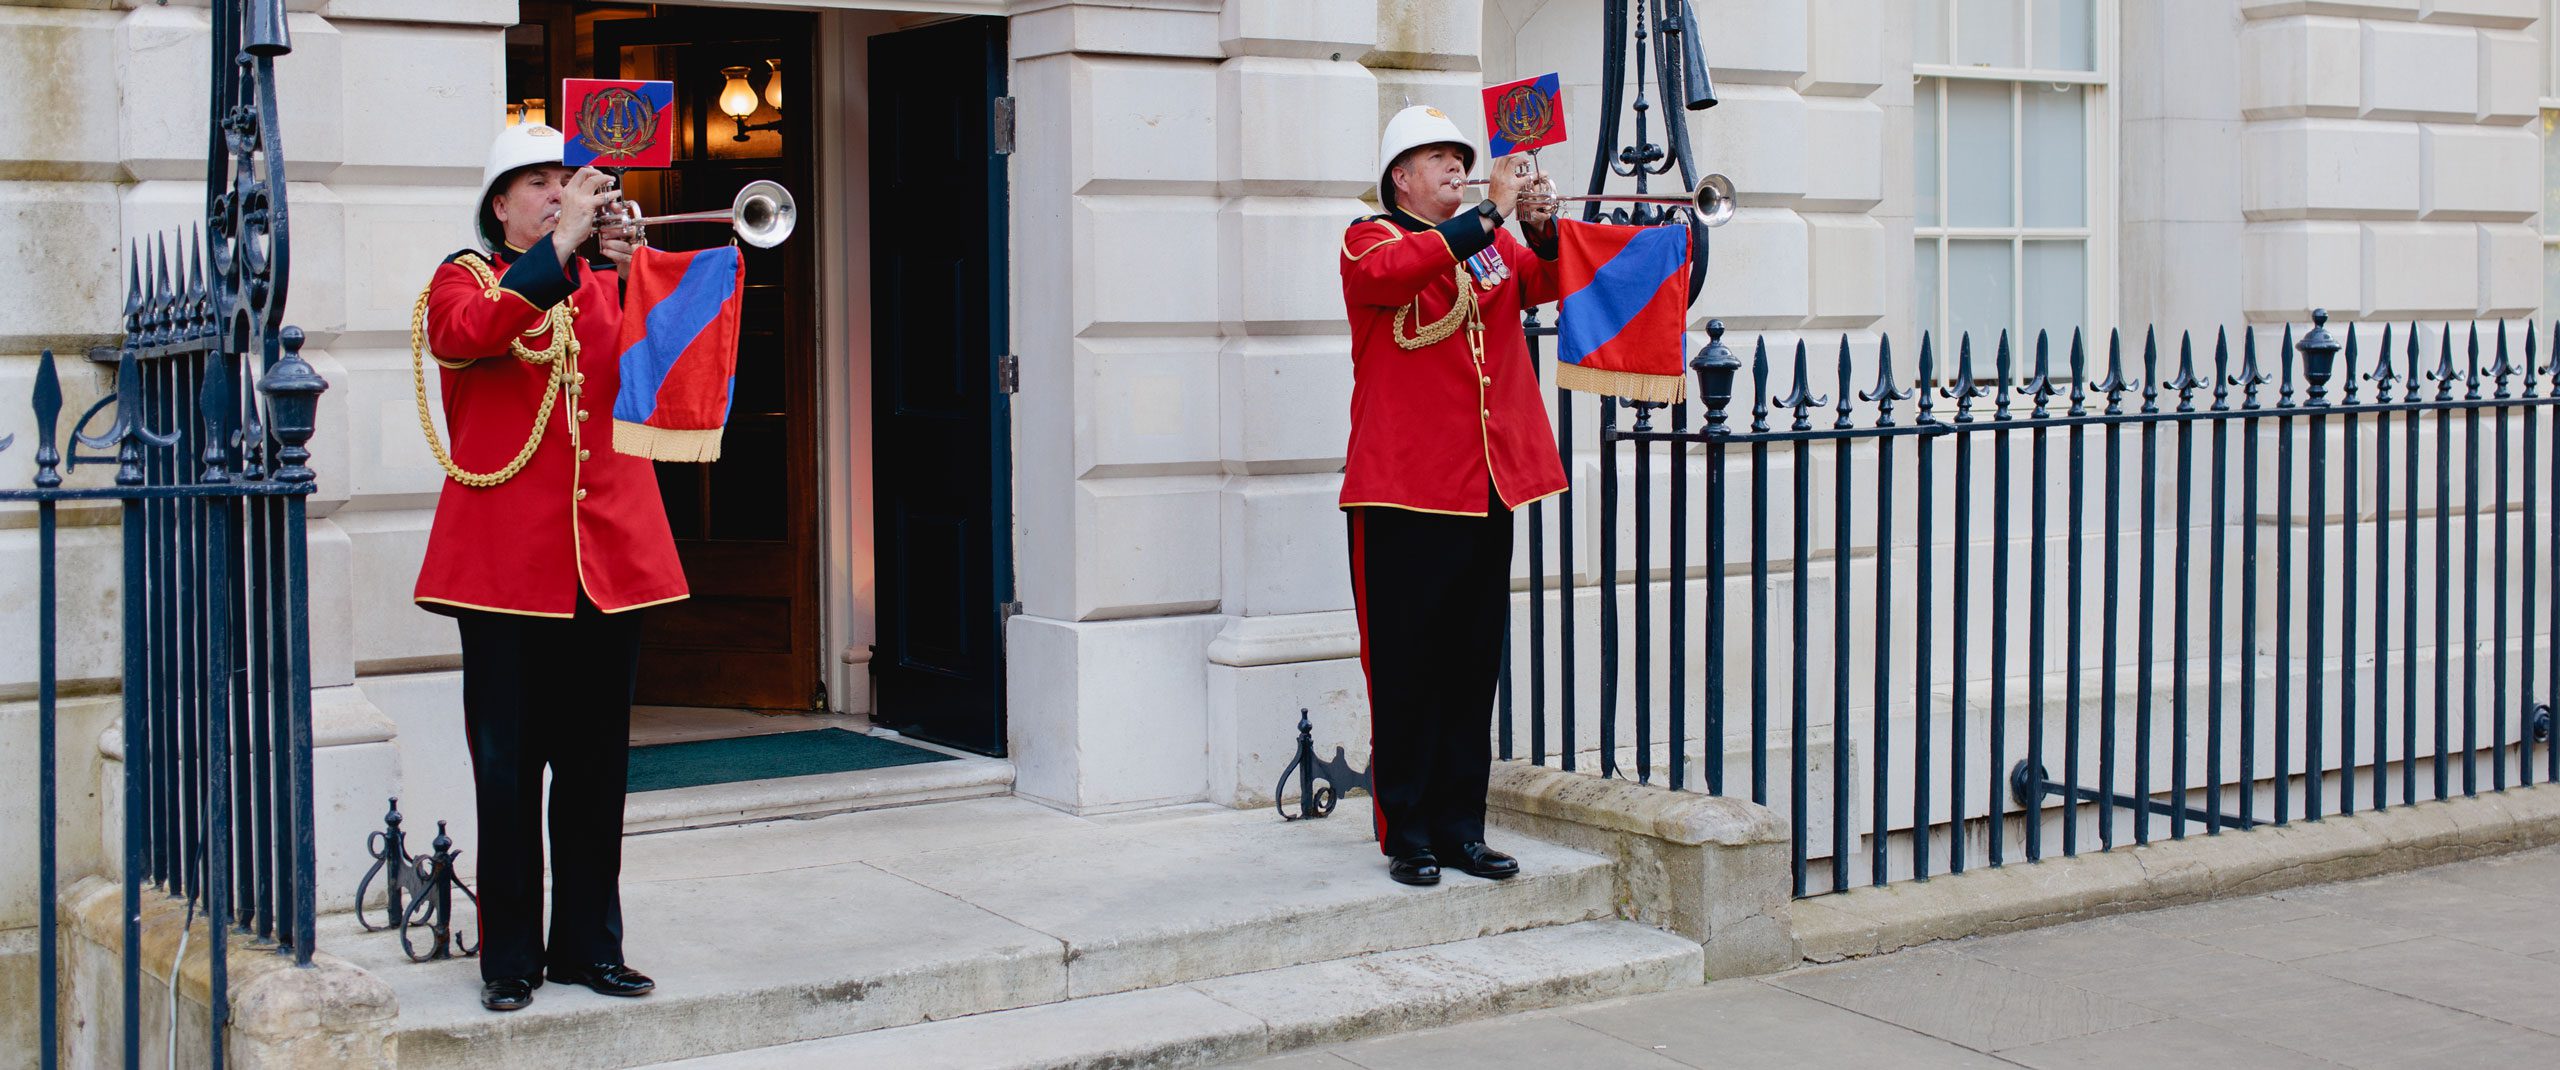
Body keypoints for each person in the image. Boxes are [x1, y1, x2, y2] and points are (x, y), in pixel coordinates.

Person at [410, 123, 688, 1012]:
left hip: (606, 560)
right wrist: (563, 254)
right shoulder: (466, 276)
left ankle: (587, 948)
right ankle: (509, 960)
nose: (558, 194)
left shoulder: (598, 281)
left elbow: (660, 360)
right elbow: (466, 337)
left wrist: (632, 264)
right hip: (504, 573)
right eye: (538, 183)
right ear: (502, 204)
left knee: (597, 765)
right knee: (508, 767)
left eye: (566, 181)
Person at [1338, 106, 1564, 887]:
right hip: (1403, 491)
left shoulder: (1491, 242)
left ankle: (1463, 827)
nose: (1455, 166)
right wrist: (1493, 211)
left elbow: (1550, 282)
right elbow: (1392, 278)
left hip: (1484, 484)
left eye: (1459, 156)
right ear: (1401, 176)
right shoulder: (1371, 236)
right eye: (1437, 157)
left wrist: (1537, 225)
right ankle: (1409, 832)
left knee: (1472, 667)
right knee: (1406, 668)